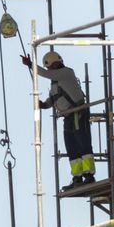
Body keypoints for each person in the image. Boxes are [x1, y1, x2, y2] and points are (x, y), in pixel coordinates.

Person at [22, 50, 94, 189]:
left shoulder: (66, 73)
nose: (49, 69)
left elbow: (45, 73)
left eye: (49, 66)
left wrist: (31, 65)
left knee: (82, 145)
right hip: (68, 117)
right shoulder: (55, 82)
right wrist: (44, 105)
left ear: (55, 63)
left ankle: (89, 175)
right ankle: (77, 177)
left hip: (77, 113)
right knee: (72, 147)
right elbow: (53, 99)